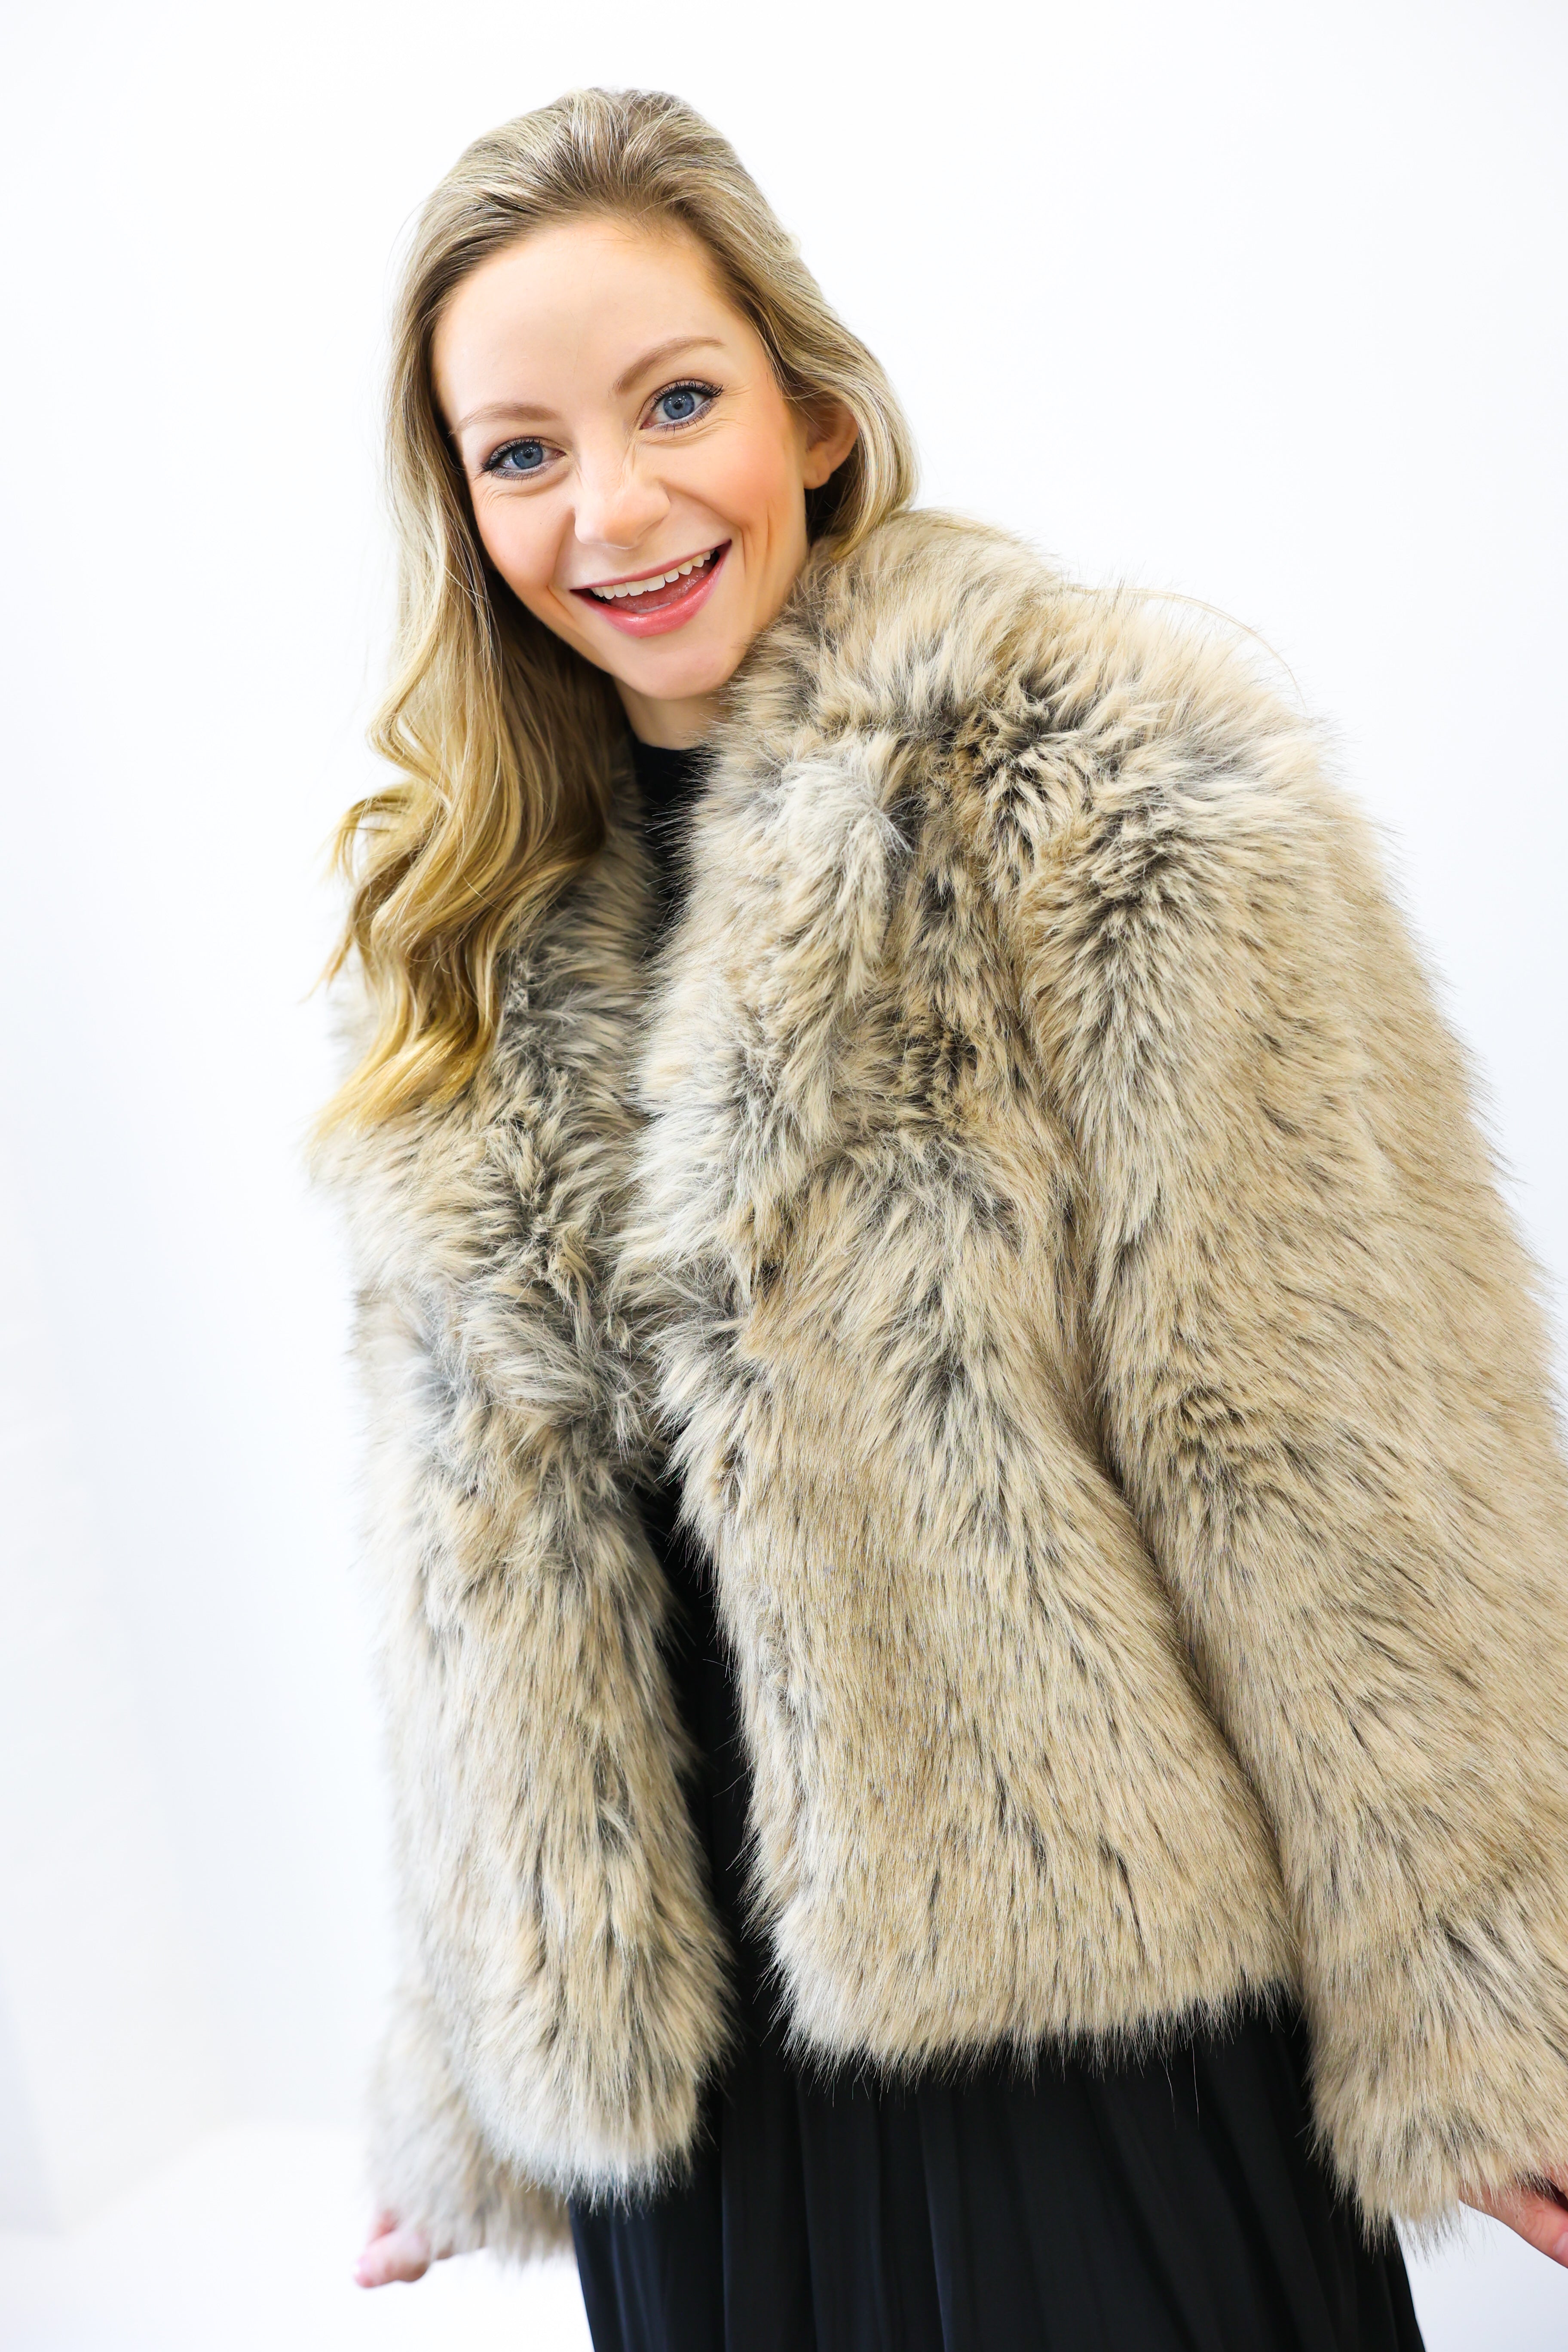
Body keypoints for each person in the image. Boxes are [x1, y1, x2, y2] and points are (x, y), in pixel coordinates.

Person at [314, 85, 1568, 2352]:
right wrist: (470, 2040)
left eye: (674, 400)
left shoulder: (1115, 795)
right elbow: (472, 1561)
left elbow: (1333, 1451)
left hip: (1085, 2040)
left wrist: (1485, 1996)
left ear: (809, 410)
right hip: (700, 2121)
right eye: (519, 451)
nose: (611, 507)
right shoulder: (470, 927)